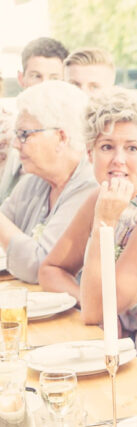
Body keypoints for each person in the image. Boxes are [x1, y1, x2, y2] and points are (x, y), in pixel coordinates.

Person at [38, 89, 137, 372]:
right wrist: (86, 299)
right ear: (90, 153)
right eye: (107, 147)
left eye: (132, 148)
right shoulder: (98, 199)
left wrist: (104, 223)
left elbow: (96, 312)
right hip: (107, 348)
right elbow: (50, 270)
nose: (119, 159)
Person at [1, 81, 95, 282]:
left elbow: (40, 267)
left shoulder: (90, 188)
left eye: (24, 134)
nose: (16, 144)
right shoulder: (34, 180)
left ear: (61, 137)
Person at [2, 38, 70, 202]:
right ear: (21, 78)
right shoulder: (6, 130)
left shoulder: (74, 136)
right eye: (36, 76)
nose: (44, 85)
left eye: (54, 78)